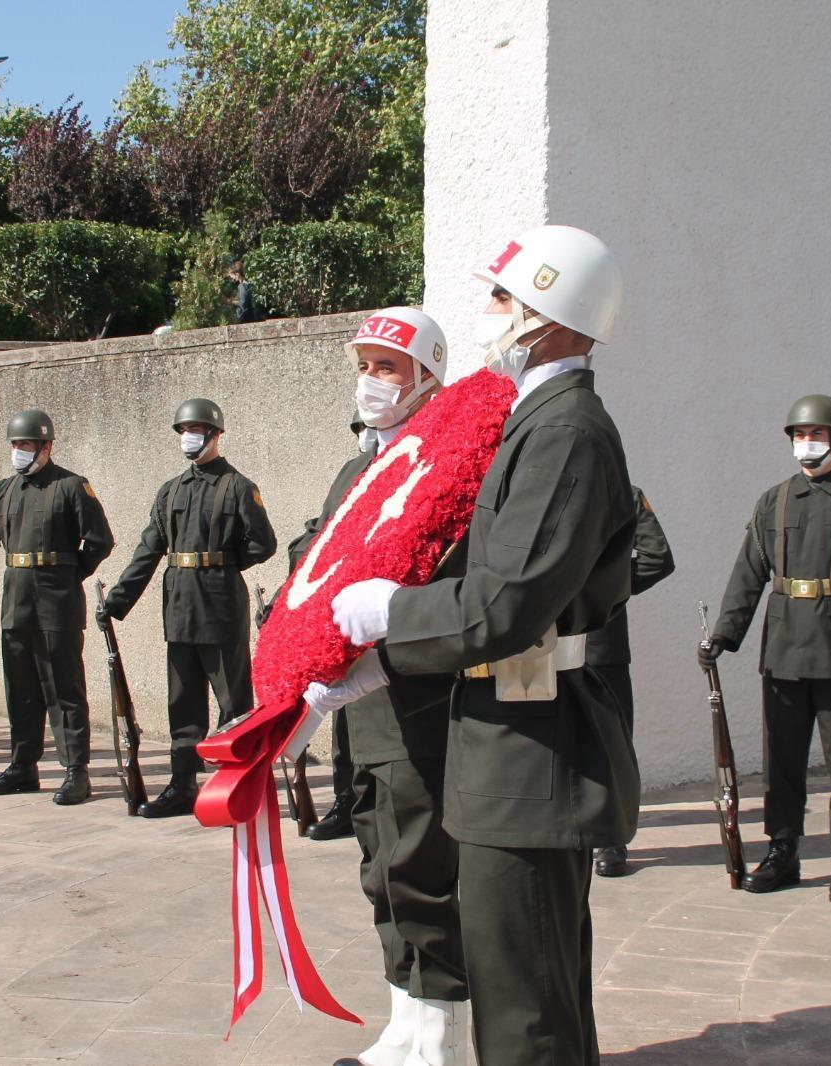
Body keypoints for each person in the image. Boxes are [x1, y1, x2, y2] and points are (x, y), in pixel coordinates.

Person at [331, 224, 635, 1065]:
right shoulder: (535, 419)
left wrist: (392, 617)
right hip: (504, 737)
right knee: (530, 983)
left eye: (506, 298)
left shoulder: (565, 430)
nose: (493, 313)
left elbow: (503, 605)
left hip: (532, 748)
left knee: (524, 1003)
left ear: (555, 311)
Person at [295, 308, 468, 1066]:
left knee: (419, 871)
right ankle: (404, 1027)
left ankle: (434, 1044)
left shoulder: (444, 464)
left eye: (387, 367)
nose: (370, 381)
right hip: (359, 712)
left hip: (413, 706)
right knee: (380, 869)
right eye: (363, 365)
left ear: (428, 377)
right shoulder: (359, 467)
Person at [700, 395, 831, 904]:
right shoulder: (772, 501)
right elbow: (749, 574)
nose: (807, 443)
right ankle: (783, 850)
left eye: (817, 434)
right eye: (799, 435)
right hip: (785, 642)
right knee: (782, 757)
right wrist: (724, 636)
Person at [97, 399, 276, 817]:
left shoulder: (237, 486)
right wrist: (118, 600)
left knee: (232, 701)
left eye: (197, 429)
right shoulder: (171, 489)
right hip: (179, 604)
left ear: (215, 434)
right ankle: (181, 785)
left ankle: (239, 785)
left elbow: (262, 542)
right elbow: (149, 549)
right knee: (183, 702)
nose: (189, 437)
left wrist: (223, 561)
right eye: (184, 430)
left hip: (219, 602)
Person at [0, 410, 113, 805]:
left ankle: (74, 770)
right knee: (21, 688)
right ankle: (22, 766)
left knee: (63, 690)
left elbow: (99, 541)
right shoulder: (2, 492)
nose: (19, 452)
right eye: (15, 445)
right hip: (16, 601)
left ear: (46, 446)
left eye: (26, 445)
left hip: (56, 603)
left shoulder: (71, 487)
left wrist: (67, 575)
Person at [588, 487, 676, 878]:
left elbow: (657, 558)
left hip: (599, 643)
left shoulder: (624, 493)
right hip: (551, 643)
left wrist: (604, 590)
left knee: (610, 743)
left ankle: (611, 838)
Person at [299, 410, 371, 844]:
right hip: (340, 610)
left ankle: (367, 802)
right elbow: (319, 531)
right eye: (358, 428)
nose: (365, 434)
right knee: (344, 717)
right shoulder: (350, 471)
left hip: (381, 609)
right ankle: (346, 802)